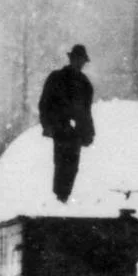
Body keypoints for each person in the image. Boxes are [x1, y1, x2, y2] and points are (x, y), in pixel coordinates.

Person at [37, 44, 95, 202]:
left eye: (82, 61)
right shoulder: (57, 78)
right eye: (77, 59)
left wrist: (88, 132)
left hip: (75, 133)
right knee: (61, 164)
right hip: (60, 128)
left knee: (72, 166)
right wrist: (48, 125)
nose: (79, 63)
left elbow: (86, 111)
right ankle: (59, 197)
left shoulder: (85, 84)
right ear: (71, 59)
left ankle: (65, 196)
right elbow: (44, 104)